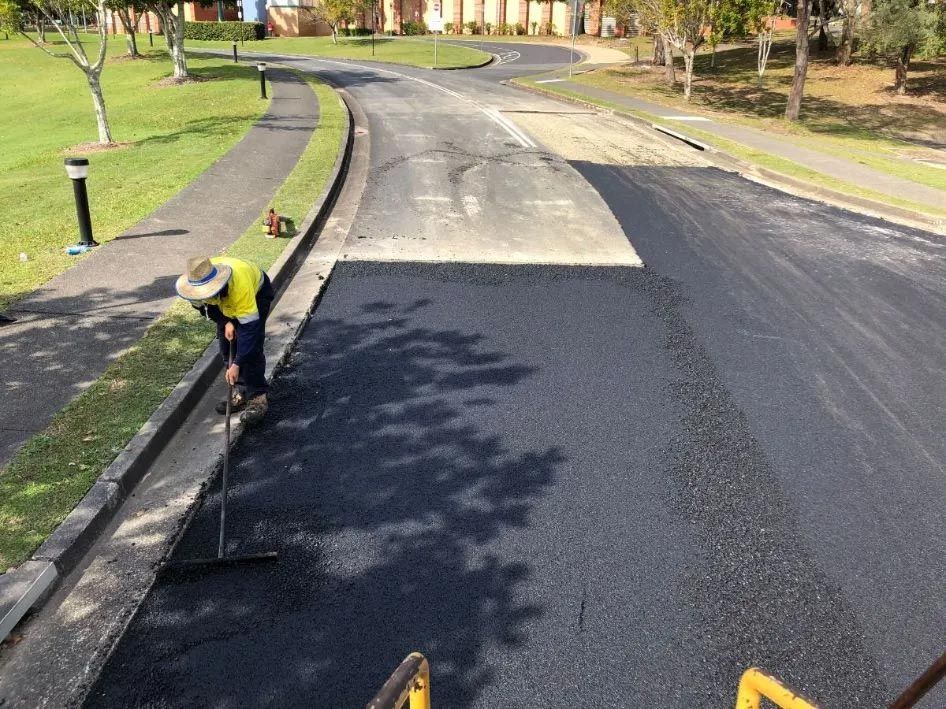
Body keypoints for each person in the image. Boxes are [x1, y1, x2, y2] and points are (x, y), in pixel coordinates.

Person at [175, 255, 274, 424]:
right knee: (226, 347)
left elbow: (250, 331)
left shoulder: (239, 285)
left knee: (251, 349)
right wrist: (225, 321)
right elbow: (206, 309)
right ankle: (242, 392)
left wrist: (236, 364)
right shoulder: (192, 289)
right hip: (225, 305)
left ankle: (258, 397)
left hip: (256, 294)